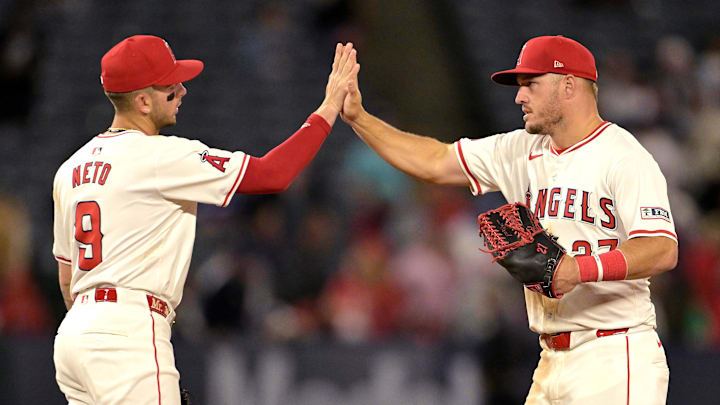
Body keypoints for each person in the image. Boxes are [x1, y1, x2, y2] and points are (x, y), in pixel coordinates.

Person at [339, 35, 677, 405]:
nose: (519, 97)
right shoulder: (520, 150)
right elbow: (435, 162)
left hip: (614, 353)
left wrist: (577, 270)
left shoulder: (623, 156)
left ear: (569, 85)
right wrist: (360, 119)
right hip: (551, 358)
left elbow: (661, 249)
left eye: (530, 84)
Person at [52, 35, 359, 404]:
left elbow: (68, 280)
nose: (182, 90)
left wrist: (98, 327)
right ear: (143, 100)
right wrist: (328, 108)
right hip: (127, 331)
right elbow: (271, 175)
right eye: (170, 85)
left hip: (74, 336)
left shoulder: (70, 170)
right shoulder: (160, 156)